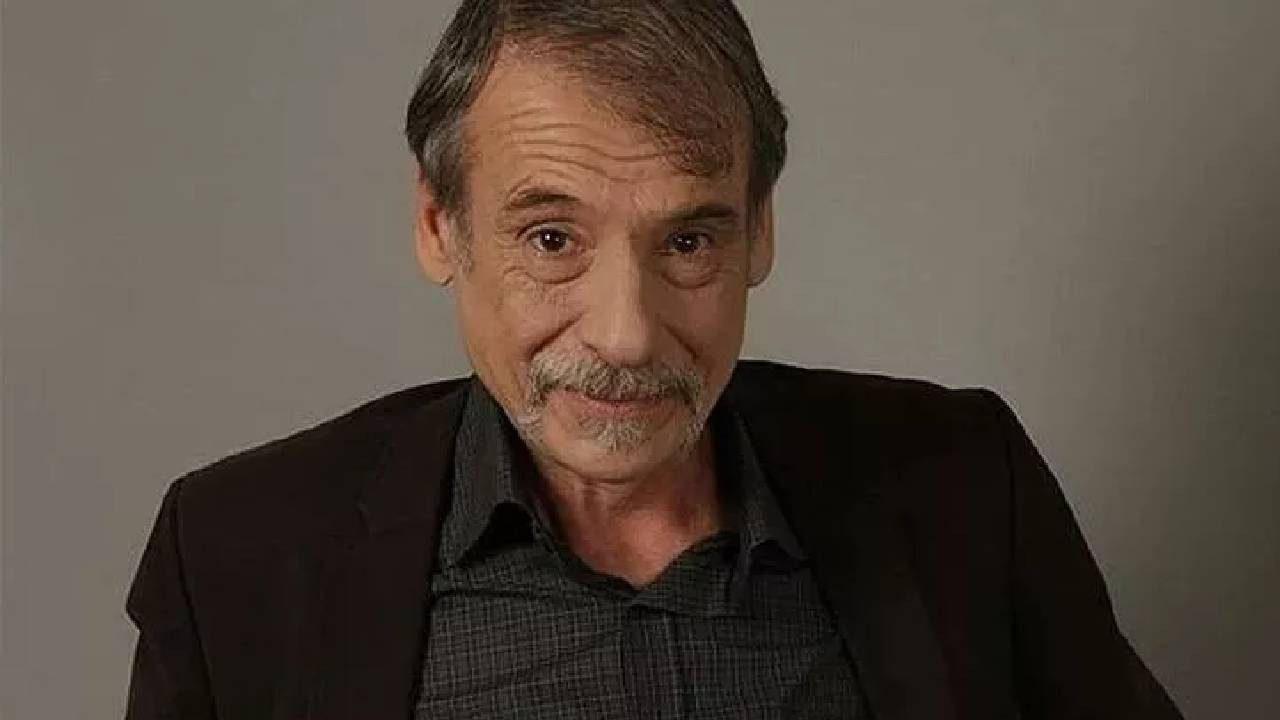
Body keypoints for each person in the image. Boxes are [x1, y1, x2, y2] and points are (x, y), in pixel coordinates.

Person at [123, 1, 1184, 718]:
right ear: (439, 226)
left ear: (758, 233)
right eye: (552, 239)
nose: (625, 335)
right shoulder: (234, 557)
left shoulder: (964, 484)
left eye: (686, 241)